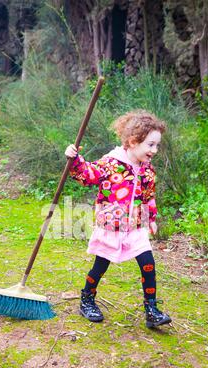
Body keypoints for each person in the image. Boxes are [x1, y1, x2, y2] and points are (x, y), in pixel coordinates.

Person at [64, 109, 172, 328]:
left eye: (157, 145)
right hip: (111, 226)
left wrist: (150, 217)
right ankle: (87, 299)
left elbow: (148, 196)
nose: (155, 150)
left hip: (135, 226)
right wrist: (74, 160)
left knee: (148, 263)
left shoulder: (147, 171)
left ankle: (151, 309)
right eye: (150, 145)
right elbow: (88, 174)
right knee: (101, 265)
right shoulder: (111, 163)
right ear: (133, 141)